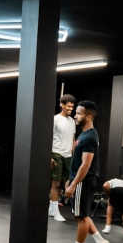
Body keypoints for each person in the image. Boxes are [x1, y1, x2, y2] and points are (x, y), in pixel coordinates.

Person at [57, 101, 109, 243]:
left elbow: (86, 164)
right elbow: (78, 161)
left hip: (83, 181)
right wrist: (70, 179)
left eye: (79, 113)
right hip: (79, 180)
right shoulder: (85, 134)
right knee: (83, 215)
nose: (75, 115)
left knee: (81, 217)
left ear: (89, 115)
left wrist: (73, 184)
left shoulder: (90, 137)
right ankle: (100, 241)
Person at [49, 94, 76, 222]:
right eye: (68, 106)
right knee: (56, 183)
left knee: (62, 185)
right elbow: (48, 138)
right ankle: (55, 213)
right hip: (56, 153)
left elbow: (73, 139)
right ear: (62, 105)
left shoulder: (72, 121)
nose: (71, 109)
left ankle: (51, 209)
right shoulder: (55, 119)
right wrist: (49, 157)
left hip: (68, 155)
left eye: (72, 107)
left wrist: (74, 154)